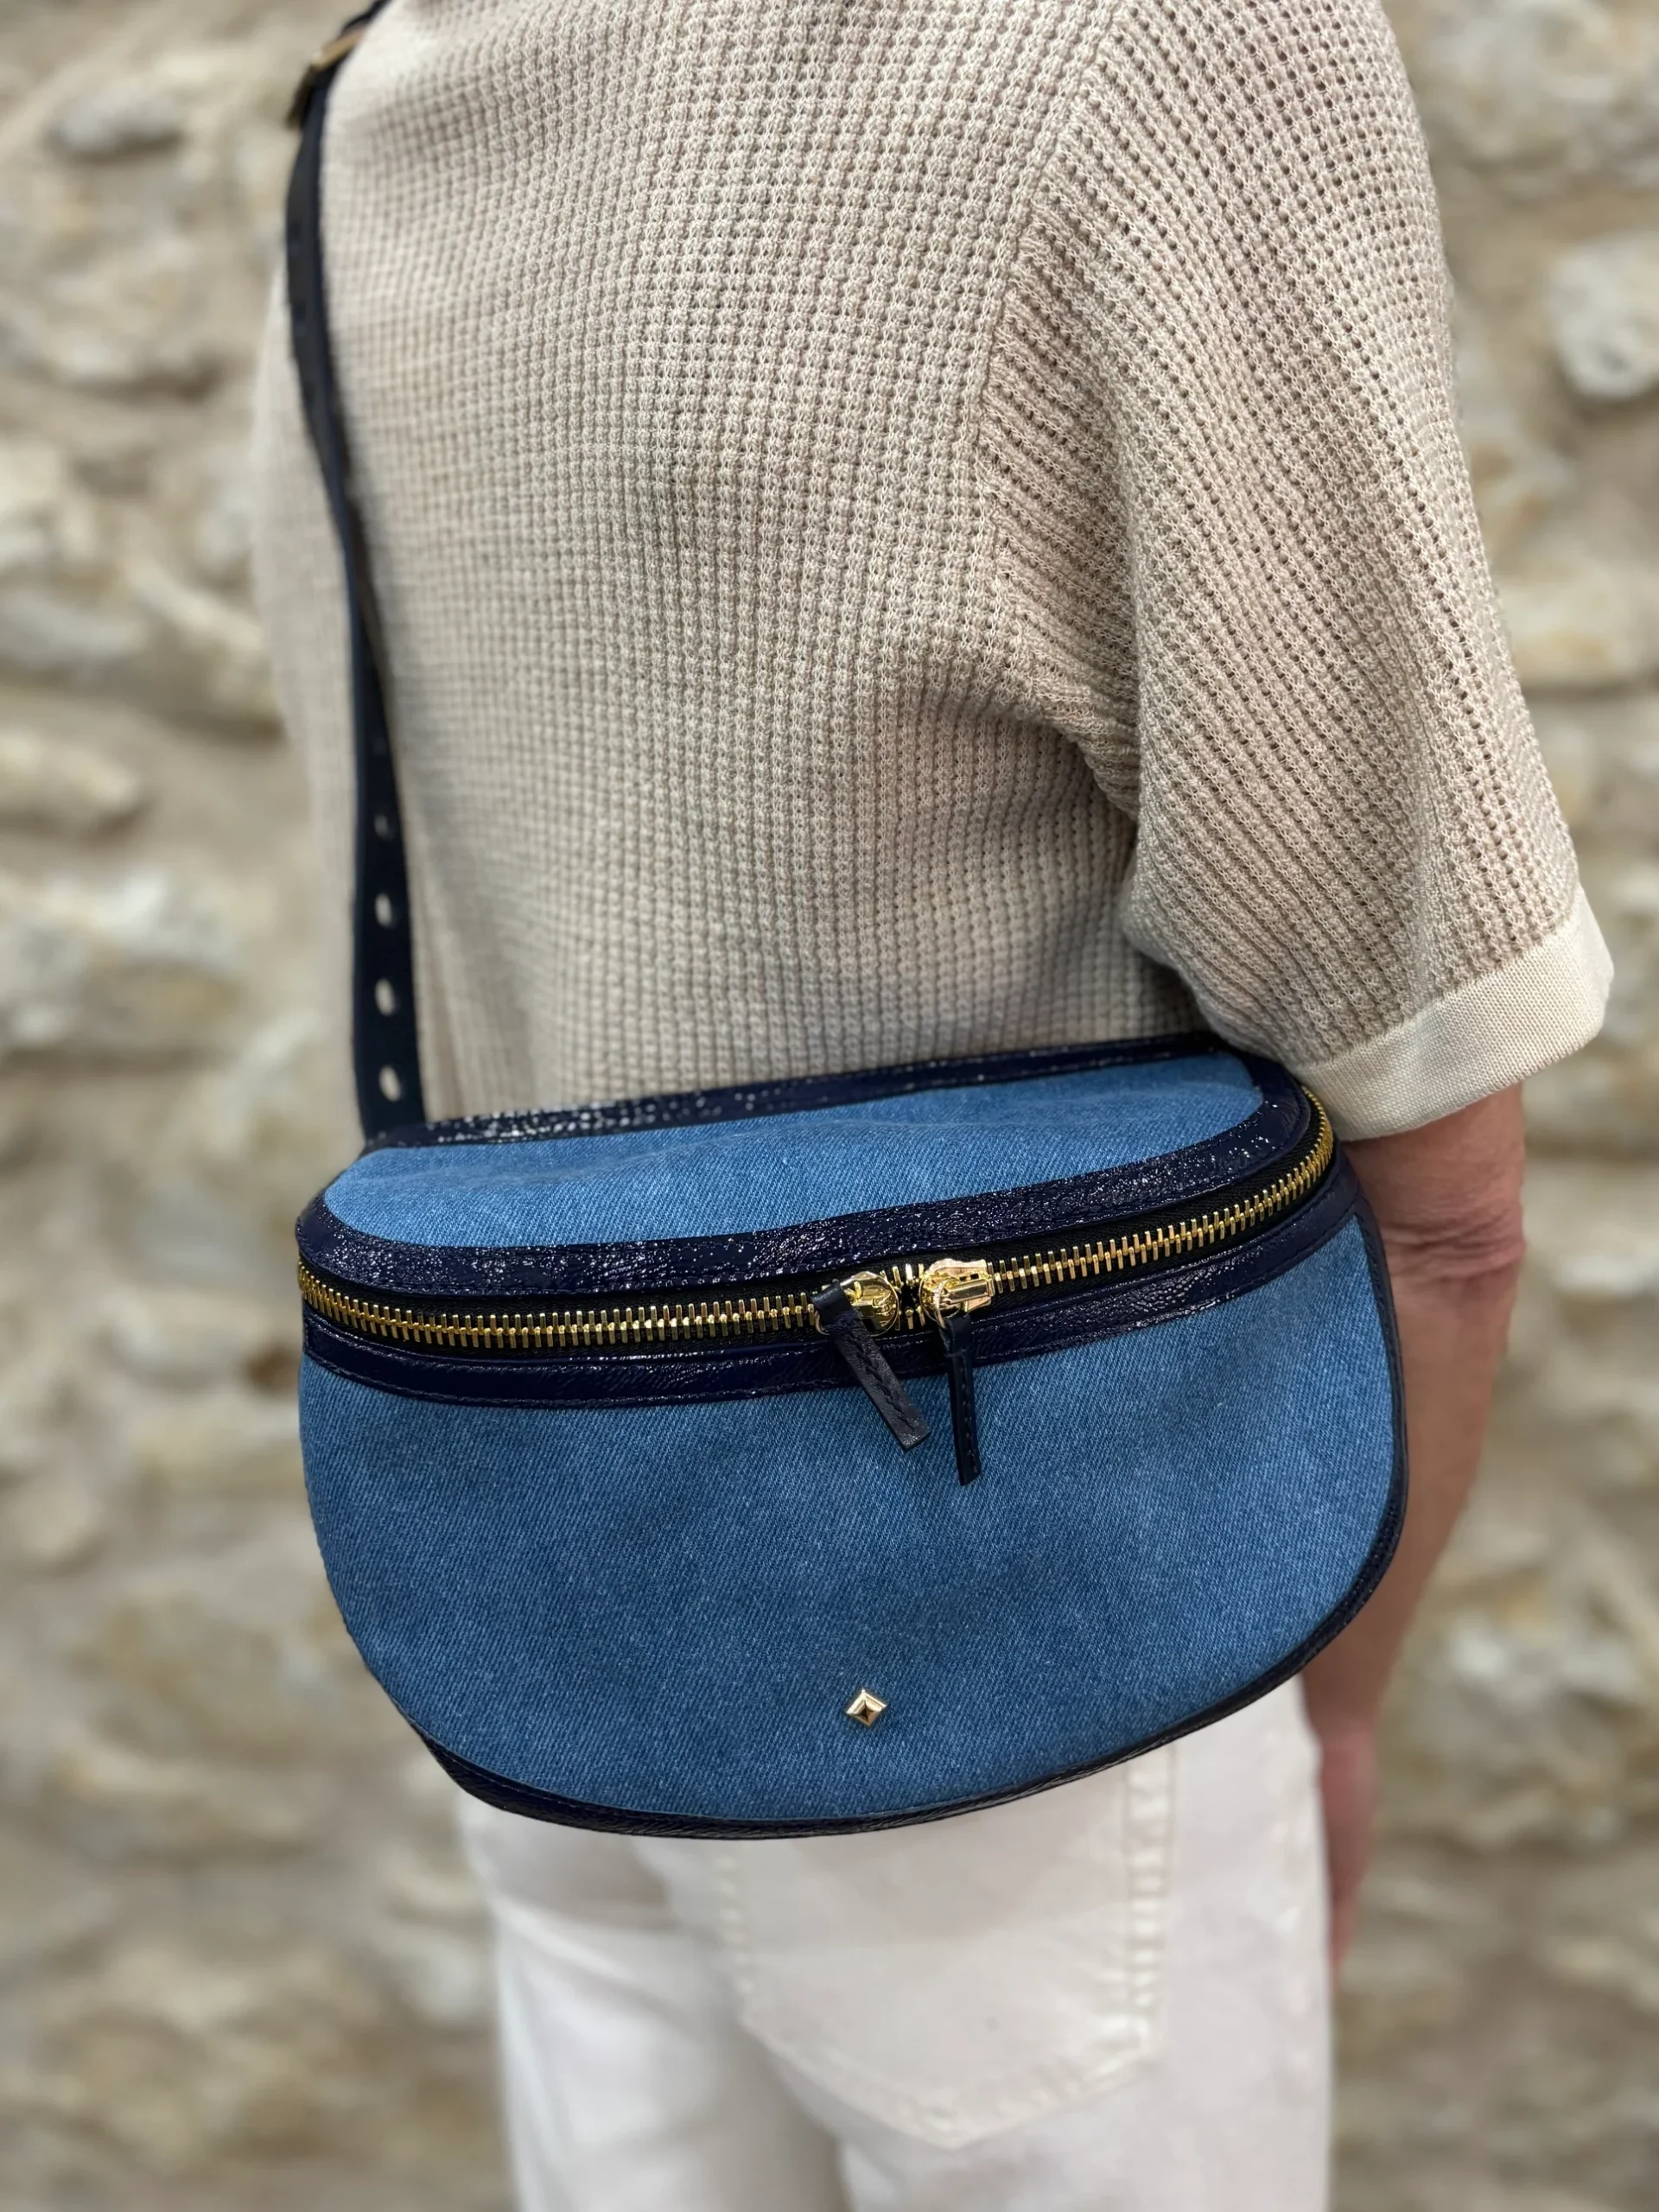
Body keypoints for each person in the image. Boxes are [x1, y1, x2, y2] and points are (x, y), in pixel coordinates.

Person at [251, 0, 1611, 2204]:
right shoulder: (1160, 50)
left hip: (562, 1627)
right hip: (1058, 1677)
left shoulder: (371, 101)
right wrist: (1341, 1704)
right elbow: (1445, 1178)